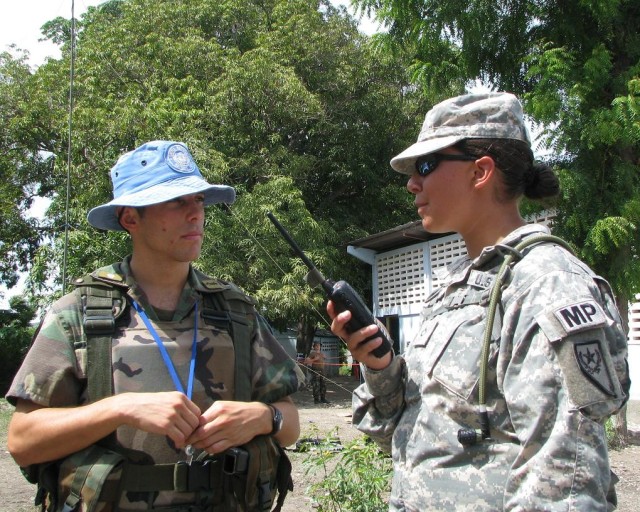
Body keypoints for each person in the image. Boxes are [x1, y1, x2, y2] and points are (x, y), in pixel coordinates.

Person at [327, 93, 630, 510]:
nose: (412, 183)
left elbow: (565, 479)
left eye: (426, 165)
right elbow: (408, 432)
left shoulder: (546, 283)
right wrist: (381, 368)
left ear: (480, 171)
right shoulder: (454, 286)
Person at [6, 140, 304, 511]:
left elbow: (290, 424)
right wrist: (121, 409)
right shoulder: (79, 314)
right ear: (130, 218)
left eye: (198, 200)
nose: (195, 214)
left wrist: (264, 417)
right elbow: (22, 440)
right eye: (176, 202)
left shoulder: (234, 312)